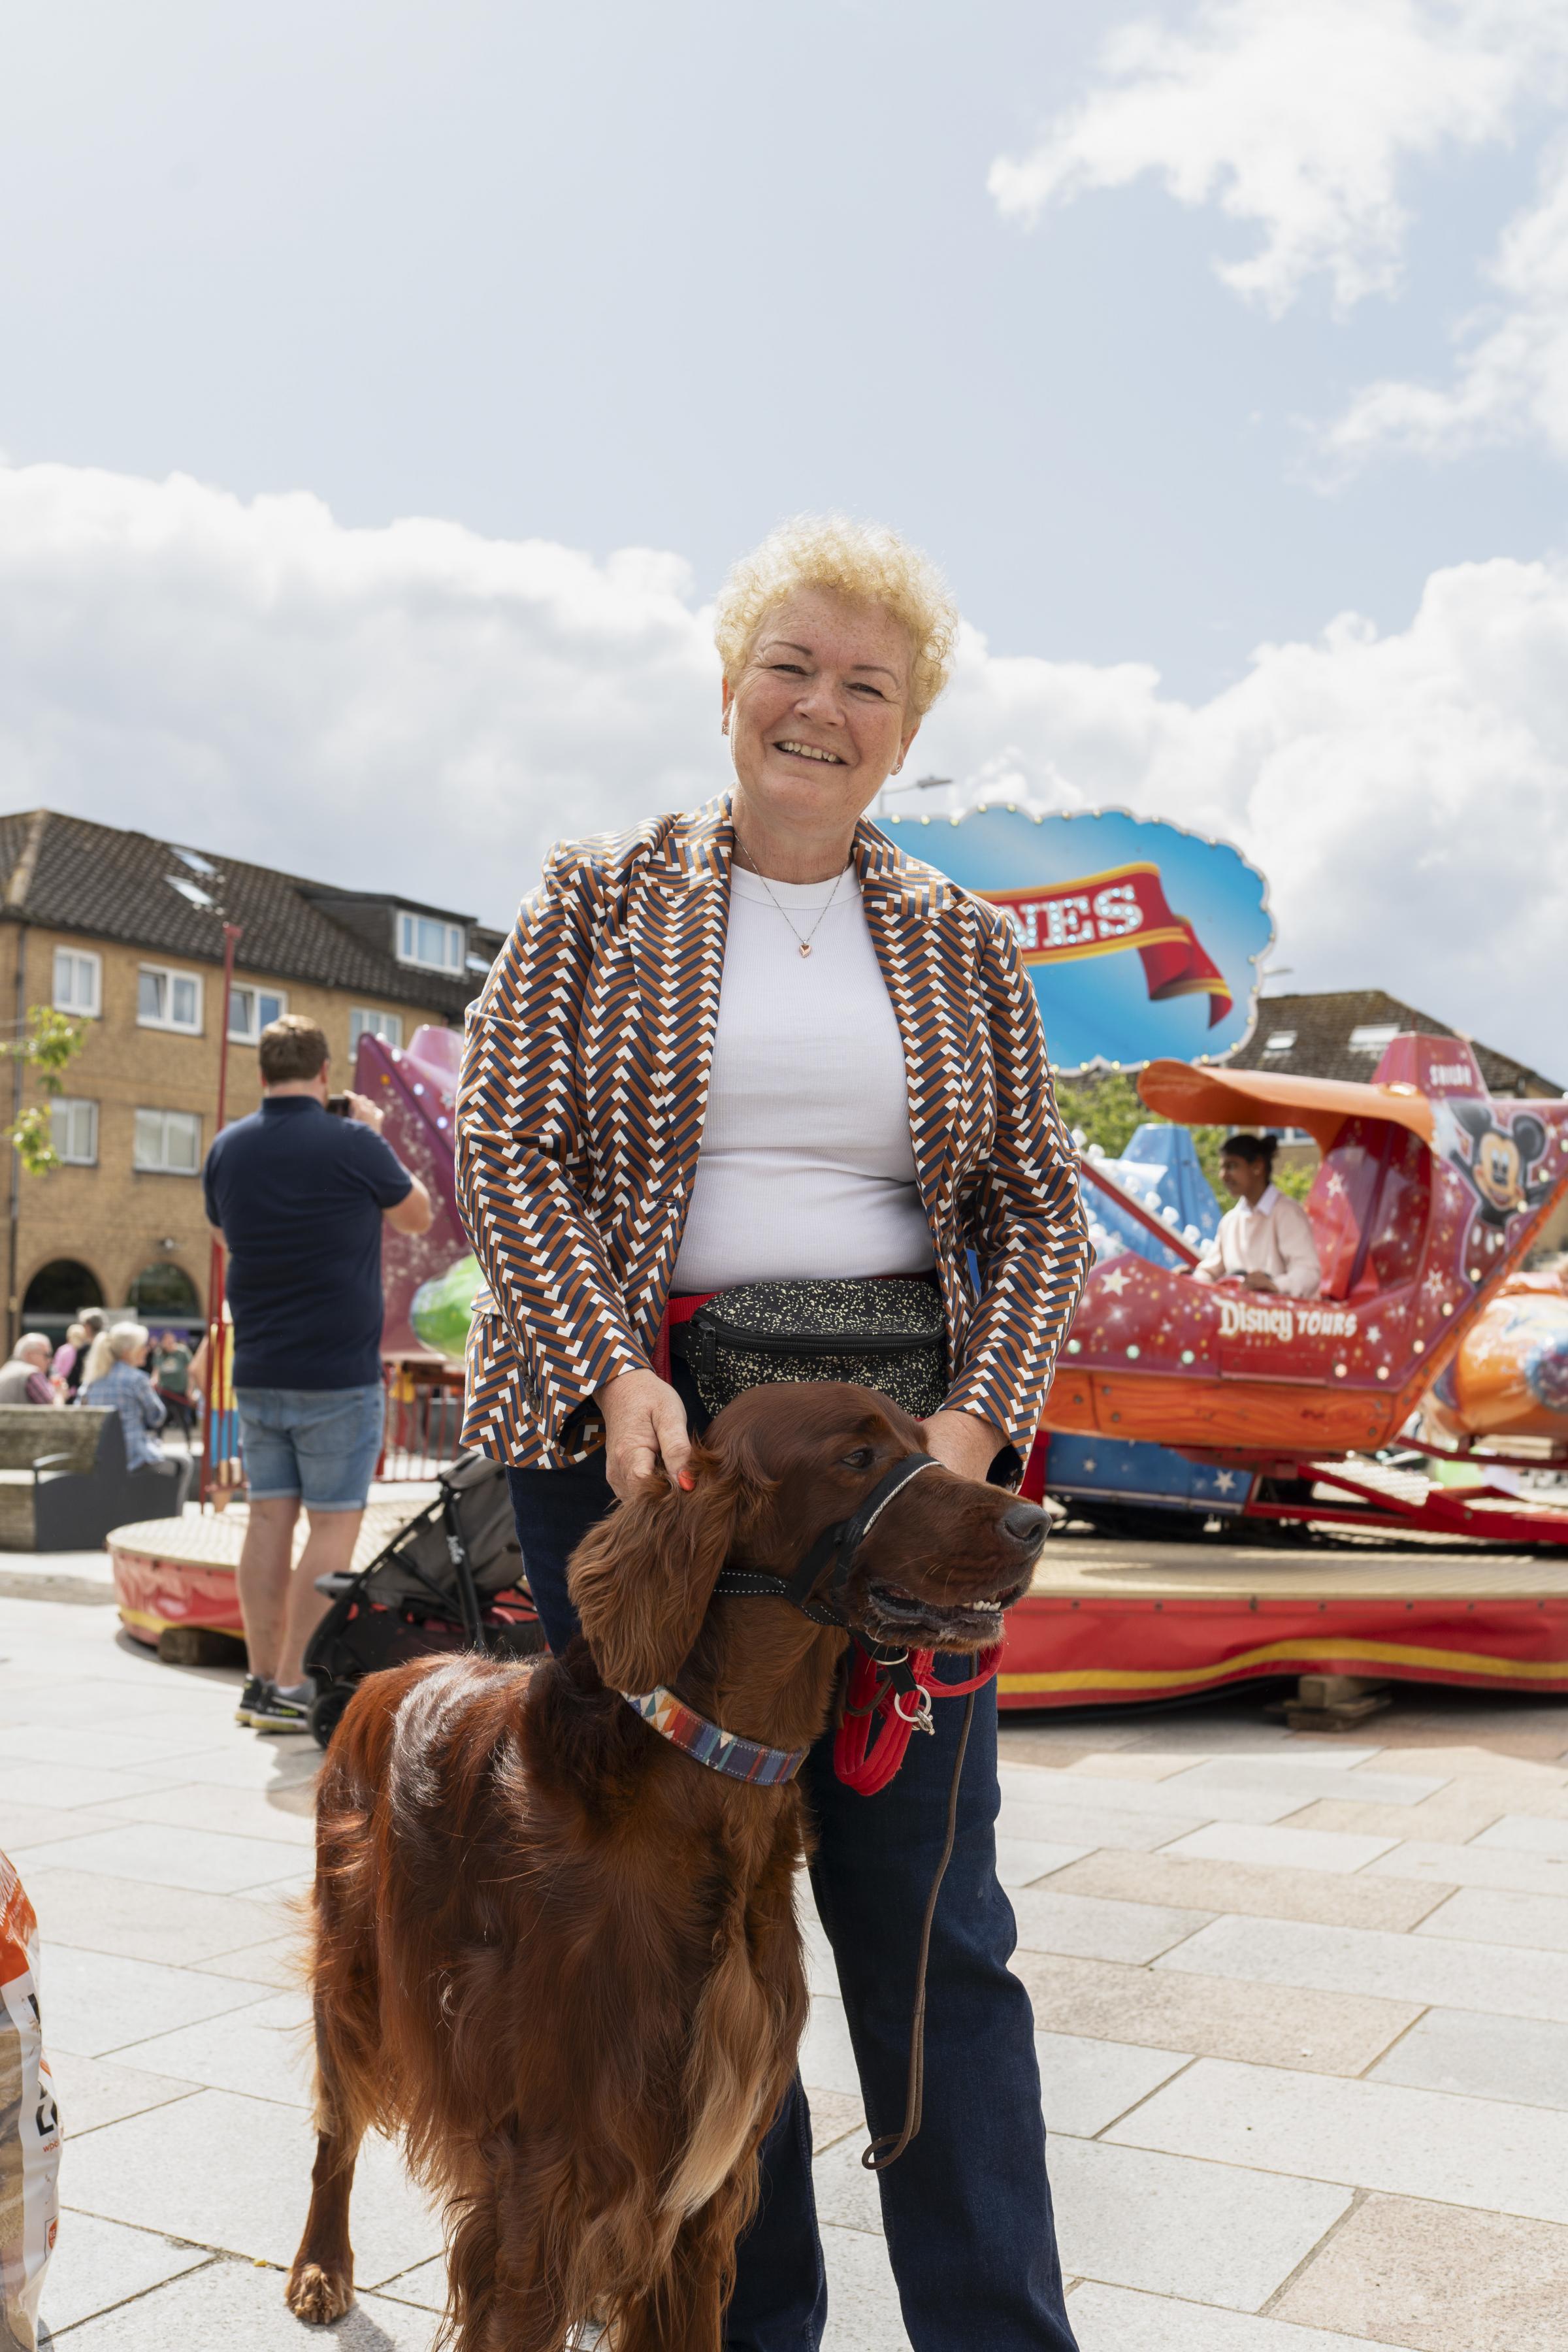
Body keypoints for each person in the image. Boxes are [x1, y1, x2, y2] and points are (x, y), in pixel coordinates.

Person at [458, 516, 1090, 2352]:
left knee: (926, 1922)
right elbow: (506, 1138)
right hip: (647, 1456)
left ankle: (996, 2330)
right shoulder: (598, 891)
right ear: (730, 685)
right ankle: (741, 2328)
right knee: (676, 1918)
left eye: (868, 686)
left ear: (909, 733)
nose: (823, 707)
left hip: (897, 1474)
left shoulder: (962, 940)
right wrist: (607, 1368)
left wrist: (978, 1427)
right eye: (792, 667)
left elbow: (1043, 1209)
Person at [203, 1015, 433, 1735]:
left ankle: (257, 1683)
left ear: (262, 1073)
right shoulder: (354, 1142)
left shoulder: (228, 1147)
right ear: (325, 1073)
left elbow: (222, 1232)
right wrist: (371, 1131)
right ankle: (296, 1683)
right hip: (337, 1370)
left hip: (261, 1365)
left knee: (268, 1519)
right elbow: (420, 1217)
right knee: (333, 1526)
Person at [1194, 1132, 1322, 1298]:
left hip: (1283, 1318)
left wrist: (1275, 1286)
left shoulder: (1287, 1213)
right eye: (1222, 1167)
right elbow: (1210, 1271)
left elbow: (1308, 1272)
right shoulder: (1230, 1221)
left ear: (1257, 1167)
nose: (1223, 1175)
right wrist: (1188, 1281)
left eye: (1231, 1166)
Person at [82, 1322, 169, 1465]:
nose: (146, 1350)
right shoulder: (137, 1379)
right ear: (128, 1351)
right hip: (132, 1459)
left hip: (100, 1459)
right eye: (142, 1346)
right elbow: (157, 1417)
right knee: (184, 1463)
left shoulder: (92, 1380)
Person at [152, 1329, 195, 1437]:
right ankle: (158, 1440)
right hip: (165, 1390)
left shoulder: (182, 1352)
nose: (169, 1343)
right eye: (166, 1341)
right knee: (161, 1415)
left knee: (183, 1418)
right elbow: (156, 1371)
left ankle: (189, 1442)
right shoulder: (159, 1353)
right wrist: (153, 1381)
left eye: (171, 1340)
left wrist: (190, 1390)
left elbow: (191, 1371)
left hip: (180, 1390)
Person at [0, 1335, 59, 1407]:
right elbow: (55, 1412)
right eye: (47, 1355)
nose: (50, 1360)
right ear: (30, 1355)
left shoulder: (7, 1368)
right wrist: (60, 1394)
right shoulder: (31, 1373)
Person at [50, 1320, 89, 1399]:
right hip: (80, 1391)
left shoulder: (63, 1350)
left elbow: (56, 1371)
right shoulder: (85, 1352)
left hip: (63, 1390)